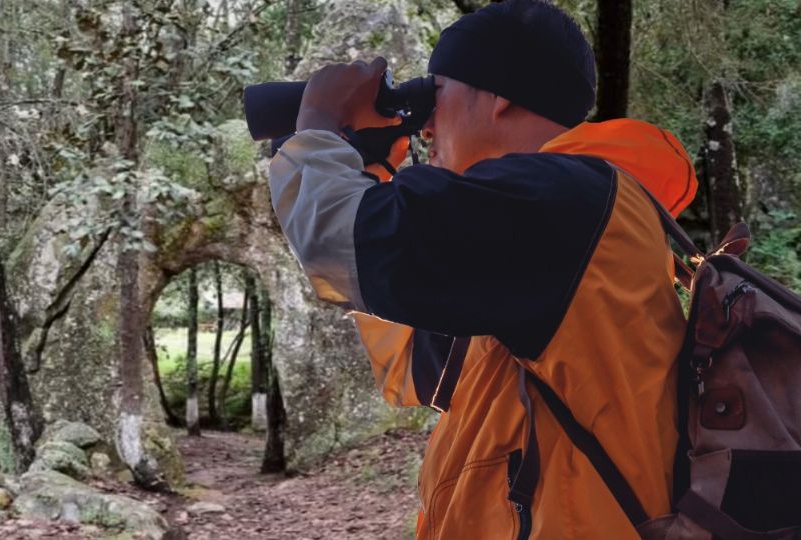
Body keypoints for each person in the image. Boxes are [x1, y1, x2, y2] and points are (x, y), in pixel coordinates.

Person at [268, 0, 698, 538]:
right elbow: (420, 373)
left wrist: (318, 122)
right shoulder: (553, 222)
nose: (425, 127)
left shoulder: (563, 199)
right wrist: (370, 165)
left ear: (498, 97)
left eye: (435, 95)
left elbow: (334, 237)